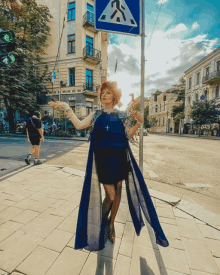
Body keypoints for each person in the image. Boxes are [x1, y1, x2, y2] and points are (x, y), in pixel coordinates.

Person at [49, 80, 169, 251]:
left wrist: (138, 123)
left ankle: (111, 224)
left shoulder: (121, 115)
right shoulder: (96, 114)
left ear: (115, 96)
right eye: (102, 92)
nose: (104, 94)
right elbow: (80, 124)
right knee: (111, 195)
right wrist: (66, 107)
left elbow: (127, 136)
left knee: (118, 191)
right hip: (103, 161)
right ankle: (102, 220)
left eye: (108, 92)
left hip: (120, 159)